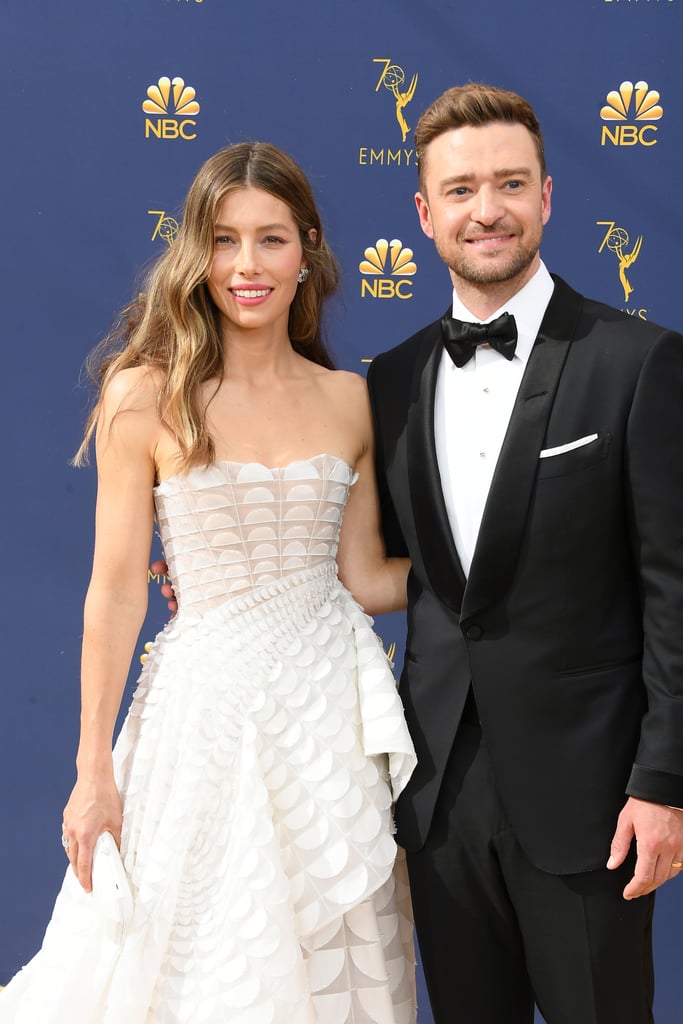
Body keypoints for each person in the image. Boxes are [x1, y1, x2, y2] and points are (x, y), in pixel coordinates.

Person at [0, 141, 417, 1023]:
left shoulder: (351, 399)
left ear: (307, 249)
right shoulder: (145, 395)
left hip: (327, 724)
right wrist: (91, 769)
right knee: (196, 967)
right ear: (197, 253)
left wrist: (507, 569)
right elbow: (115, 590)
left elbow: (369, 579)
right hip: (200, 722)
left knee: (321, 958)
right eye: (224, 241)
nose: (246, 266)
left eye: (270, 239)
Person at [364, 84, 683, 1024]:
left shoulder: (636, 360)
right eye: (460, 189)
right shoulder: (394, 378)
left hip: (594, 796)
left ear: (548, 197)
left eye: (509, 183)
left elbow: (682, 590)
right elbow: (390, 568)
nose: (486, 209)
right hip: (439, 798)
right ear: (423, 213)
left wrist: (668, 784)